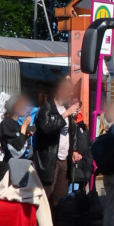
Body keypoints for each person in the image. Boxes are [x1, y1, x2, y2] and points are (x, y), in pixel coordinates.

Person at [33, 78, 80, 210]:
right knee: (46, 199)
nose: (71, 94)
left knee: (60, 200)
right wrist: (65, 114)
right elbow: (47, 129)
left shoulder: (67, 110)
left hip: (64, 160)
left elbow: (73, 133)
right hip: (50, 161)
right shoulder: (46, 109)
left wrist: (75, 150)